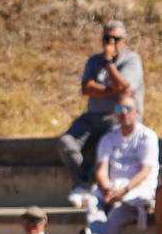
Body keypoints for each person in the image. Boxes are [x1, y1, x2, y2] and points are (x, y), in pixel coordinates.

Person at [59, 20, 145, 205]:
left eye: (116, 39)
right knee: (66, 142)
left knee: (106, 144)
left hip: (120, 118)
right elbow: (87, 88)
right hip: (92, 117)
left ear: (125, 40)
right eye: (107, 38)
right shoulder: (93, 60)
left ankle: (93, 185)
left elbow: (125, 88)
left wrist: (109, 63)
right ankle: (83, 183)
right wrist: (111, 90)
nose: (111, 43)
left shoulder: (131, 60)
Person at [78, 95, 158, 234]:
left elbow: (144, 172)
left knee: (119, 211)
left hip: (136, 190)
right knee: (94, 200)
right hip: (113, 188)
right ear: (114, 113)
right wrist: (107, 189)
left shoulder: (147, 136)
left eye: (128, 109)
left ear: (137, 112)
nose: (124, 113)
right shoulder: (108, 139)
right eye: (119, 109)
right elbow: (101, 170)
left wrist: (123, 190)